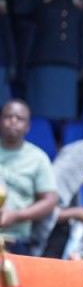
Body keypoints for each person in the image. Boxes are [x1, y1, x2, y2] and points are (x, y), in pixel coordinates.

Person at [15, 0, 83, 123]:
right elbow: (19, 8)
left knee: (66, 112)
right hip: (43, 59)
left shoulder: (76, 0)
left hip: (68, 60)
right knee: (39, 110)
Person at [0, 99, 58, 255]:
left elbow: (49, 200)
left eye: (19, 118)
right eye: (8, 116)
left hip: (16, 240)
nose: (13, 121)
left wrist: (16, 215)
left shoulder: (38, 158)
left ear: (28, 126)